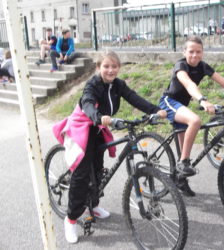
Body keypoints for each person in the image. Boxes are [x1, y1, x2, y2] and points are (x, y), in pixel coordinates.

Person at [53, 51, 167, 244]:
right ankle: (71, 218)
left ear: (119, 68)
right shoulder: (93, 84)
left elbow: (134, 98)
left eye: (114, 66)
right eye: (106, 66)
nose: (110, 70)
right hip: (84, 127)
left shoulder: (118, 85)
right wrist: (98, 117)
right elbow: (88, 102)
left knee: (98, 169)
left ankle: (93, 204)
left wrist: (155, 110)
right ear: (98, 68)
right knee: (81, 174)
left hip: (98, 128)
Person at [158, 36, 224, 196]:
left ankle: (180, 179)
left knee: (185, 149)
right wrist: (203, 100)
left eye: (198, 52)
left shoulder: (203, 66)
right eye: (191, 52)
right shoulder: (181, 65)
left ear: (203, 53)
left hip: (183, 106)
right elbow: (189, 84)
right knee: (195, 120)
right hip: (169, 102)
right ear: (185, 52)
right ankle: (183, 164)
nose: (194, 55)